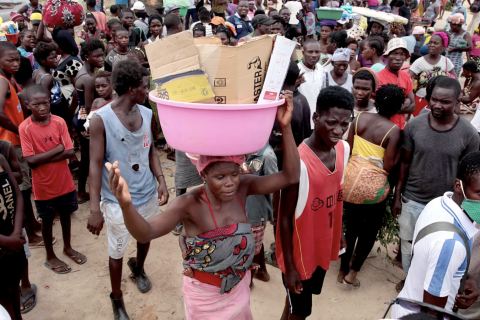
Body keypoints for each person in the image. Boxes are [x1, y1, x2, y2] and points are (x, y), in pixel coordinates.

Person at [87, 59, 169, 319]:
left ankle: (139, 268)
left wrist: (161, 179)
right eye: (145, 86)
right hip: (116, 201)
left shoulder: (146, 113)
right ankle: (117, 299)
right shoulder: (101, 120)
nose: (149, 91)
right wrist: (94, 210)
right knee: (117, 249)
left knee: (145, 236)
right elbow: (95, 165)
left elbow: (151, 150)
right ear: (132, 89)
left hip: (146, 192)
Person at [392, 77, 479, 292]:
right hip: (412, 199)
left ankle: (429, 289)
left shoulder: (468, 134)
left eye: (445, 101)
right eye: (434, 100)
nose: (438, 105)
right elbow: (404, 162)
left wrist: (466, 209)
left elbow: (470, 175)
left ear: (458, 101)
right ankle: (411, 282)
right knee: (408, 244)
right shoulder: (414, 125)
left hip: (448, 205)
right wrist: (397, 196)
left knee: (440, 249)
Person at [276, 86, 351, 320]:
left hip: (322, 246)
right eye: (331, 123)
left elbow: (335, 196)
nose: (338, 131)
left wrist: (338, 232)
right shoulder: (297, 163)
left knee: (294, 307)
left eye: (344, 124)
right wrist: (289, 268)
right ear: (316, 117)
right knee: (301, 312)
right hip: (299, 256)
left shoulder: (343, 149)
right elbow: (284, 218)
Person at [392, 151, 480, 318]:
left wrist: (463, 276)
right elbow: (432, 312)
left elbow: (433, 259)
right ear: (458, 186)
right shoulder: (451, 244)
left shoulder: (439, 203)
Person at [338, 84, 403, 288]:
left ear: (376, 99)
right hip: (372, 189)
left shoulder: (359, 119)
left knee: (351, 226)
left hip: (349, 181)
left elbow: (347, 148)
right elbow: (389, 165)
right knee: (369, 231)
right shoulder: (393, 131)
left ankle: (342, 267)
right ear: (397, 108)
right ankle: (353, 273)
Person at [21, 85, 86, 276]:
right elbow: (31, 162)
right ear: (27, 105)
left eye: (46, 103)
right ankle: (50, 255)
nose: (42, 107)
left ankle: (67, 247)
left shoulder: (59, 122)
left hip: (64, 182)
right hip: (43, 186)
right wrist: (57, 150)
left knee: (66, 214)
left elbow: (70, 150)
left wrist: (48, 155)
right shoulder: (25, 128)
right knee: (47, 220)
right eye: (36, 104)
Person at [0, 41, 45, 249]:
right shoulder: (1, 82)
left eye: (17, 59)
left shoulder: (9, 80)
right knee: (23, 189)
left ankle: (33, 224)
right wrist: (20, 130)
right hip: (12, 143)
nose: (16, 63)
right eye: (10, 60)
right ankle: (30, 233)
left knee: (26, 187)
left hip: (14, 142)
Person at [74, 40, 105, 204]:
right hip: (86, 119)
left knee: (86, 157)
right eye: (97, 56)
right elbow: (89, 106)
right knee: (89, 157)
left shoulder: (84, 72)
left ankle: (82, 191)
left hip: (80, 116)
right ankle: (85, 193)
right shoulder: (88, 78)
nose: (101, 58)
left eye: (102, 55)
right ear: (87, 56)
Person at [245, 142, 278, 286]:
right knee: (255, 243)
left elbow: (275, 185)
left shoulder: (267, 156)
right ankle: (262, 271)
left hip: (256, 213)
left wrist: (250, 176)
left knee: (251, 251)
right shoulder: (244, 149)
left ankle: (249, 283)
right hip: (246, 209)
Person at [0, 151, 27, 320]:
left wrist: (16, 233)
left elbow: (17, 195)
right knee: (3, 296)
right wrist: (6, 241)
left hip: (14, 240)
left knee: (14, 286)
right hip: (5, 245)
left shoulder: (0, 159)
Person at [409, 32, 456, 116]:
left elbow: (454, 81)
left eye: (435, 43)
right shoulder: (419, 62)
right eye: (430, 42)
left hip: (439, 103)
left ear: (442, 46)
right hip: (421, 99)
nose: (431, 45)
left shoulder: (446, 61)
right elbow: (407, 79)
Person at [377, 38, 415, 130]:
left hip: (401, 128)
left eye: (402, 54)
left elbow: (413, 106)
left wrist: (393, 108)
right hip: (383, 128)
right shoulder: (378, 78)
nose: (398, 58)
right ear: (387, 56)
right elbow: (382, 110)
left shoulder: (406, 77)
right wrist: (405, 102)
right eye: (394, 53)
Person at [32, 42, 70, 124]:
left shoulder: (36, 72)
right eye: (52, 58)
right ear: (42, 60)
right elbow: (45, 99)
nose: (56, 61)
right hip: (56, 110)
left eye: (56, 57)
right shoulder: (47, 78)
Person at [297, 39, 324, 127]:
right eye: (310, 52)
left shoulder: (320, 68)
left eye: (317, 52)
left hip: (317, 120)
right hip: (302, 120)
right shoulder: (297, 70)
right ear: (303, 53)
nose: (314, 55)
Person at [446, 13, 472, 77]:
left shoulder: (465, 34)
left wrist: (455, 48)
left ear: (457, 26)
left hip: (455, 62)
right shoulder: (451, 33)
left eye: (452, 26)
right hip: (446, 60)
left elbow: (470, 47)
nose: (451, 27)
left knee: (452, 79)